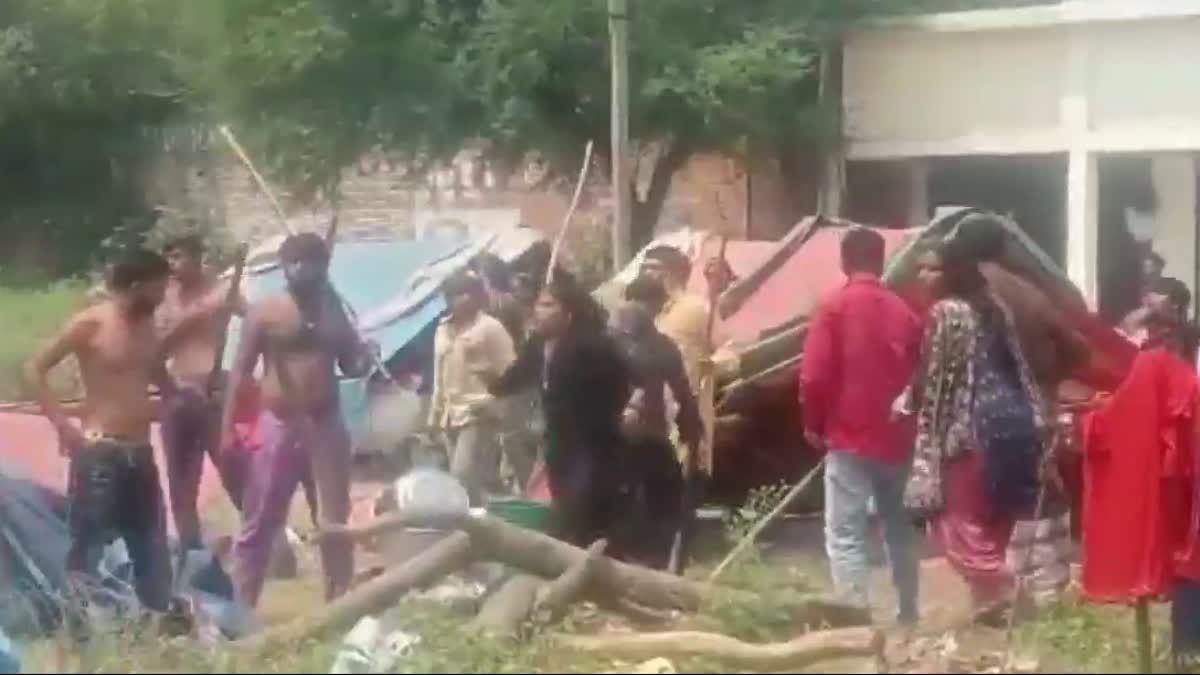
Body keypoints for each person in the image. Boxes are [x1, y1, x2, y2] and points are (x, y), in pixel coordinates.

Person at [220, 233, 374, 608]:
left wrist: (367, 355)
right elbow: (240, 371)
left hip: (326, 424)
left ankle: (338, 605)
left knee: (334, 522)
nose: (301, 269)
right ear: (283, 266)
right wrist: (227, 429)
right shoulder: (266, 311)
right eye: (294, 262)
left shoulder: (336, 311)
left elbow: (352, 364)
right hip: (279, 423)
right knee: (260, 520)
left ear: (324, 267)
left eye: (310, 262)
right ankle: (241, 608)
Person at [905, 235, 1051, 619]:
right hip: (1018, 428)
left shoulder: (947, 313)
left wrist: (912, 412)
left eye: (932, 268)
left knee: (956, 524)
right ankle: (988, 609)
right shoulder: (994, 307)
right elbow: (1019, 368)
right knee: (994, 524)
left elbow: (937, 383)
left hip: (974, 432)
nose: (922, 276)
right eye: (919, 268)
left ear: (952, 271)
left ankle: (1012, 595)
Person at [25, 250, 174, 614]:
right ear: (136, 285)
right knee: (88, 548)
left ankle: (156, 627)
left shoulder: (148, 328)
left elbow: (156, 376)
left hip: (140, 453)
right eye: (159, 288)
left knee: (152, 547)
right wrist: (62, 424)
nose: (163, 296)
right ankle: (79, 634)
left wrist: (180, 394)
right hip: (100, 454)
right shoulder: (91, 324)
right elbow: (34, 369)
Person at [800, 227, 923, 626]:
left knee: (846, 532)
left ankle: (854, 616)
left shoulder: (833, 307)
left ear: (844, 261)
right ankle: (908, 609)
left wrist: (812, 423)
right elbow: (920, 374)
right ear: (881, 260)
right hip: (896, 436)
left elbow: (813, 377)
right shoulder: (904, 311)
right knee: (897, 527)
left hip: (848, 435)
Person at [482, 270, 633, 548]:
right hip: (558, 439)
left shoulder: (593, 346)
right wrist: (489, 378)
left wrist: (605, 417)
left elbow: (623, 383)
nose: (539, 311)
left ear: (569, 313)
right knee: (564, 498)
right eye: (539, 304)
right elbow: (515, 378)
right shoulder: (538, 345)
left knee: (582, 507)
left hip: (593, 441)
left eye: (549, 305)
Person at [155, 235, 247, 550]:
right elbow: (156, 348)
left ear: (197, 258)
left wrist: (232, 306)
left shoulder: (222, 290)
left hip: (215, 394)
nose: (172, 265)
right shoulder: (163, 299)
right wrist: (192, 318)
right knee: (181, 485)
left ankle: (262, 542)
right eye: (169, 258)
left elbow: (258, 323)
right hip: (177, 396)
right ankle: (192, 552)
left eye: (179, 256)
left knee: (235, 473)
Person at [428, 271, 521, 504]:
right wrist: (434, 414)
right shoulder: (441, 329)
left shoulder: (490, 328)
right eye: (456, 294)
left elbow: (511, 372)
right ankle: (476, 524)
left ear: (478, 296)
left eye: (468, 293)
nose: (462, 299)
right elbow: (439, 375)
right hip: (450, 414)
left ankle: (474, 525)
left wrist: (498, 407)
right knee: (464, 480)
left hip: (478, 411)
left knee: (463, 474)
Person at [641, 246, 710, 393]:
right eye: (643, 268)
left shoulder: (697, 308)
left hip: (689, 402)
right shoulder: (645, 312)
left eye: (653, 268)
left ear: (674, 272)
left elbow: (725, 350)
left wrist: (706, 393)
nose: (646, 274)